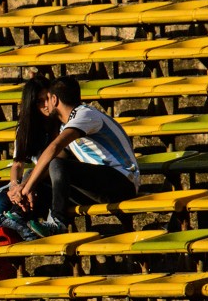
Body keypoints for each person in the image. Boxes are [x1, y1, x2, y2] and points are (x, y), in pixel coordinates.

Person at [8, 75, 139, 235]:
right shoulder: (68, 125)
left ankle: (58, 222)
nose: (45, 105)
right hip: (98, 186)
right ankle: (17, 219)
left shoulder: (85, 114)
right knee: (35, 174)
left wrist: (27, 187)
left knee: (54, 164)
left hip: (122, 182)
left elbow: (55, 149)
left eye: (47, 99)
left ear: (54, 99)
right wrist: (24, 186)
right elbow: (53, 162)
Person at [0, 75, 57, 220]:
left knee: (26, 188)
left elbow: (53, 164)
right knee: (1, 196)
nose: (46, 105)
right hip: (33, 181)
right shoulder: (26, 128)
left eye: (47, 99)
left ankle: (4, 231)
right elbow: (18, 164)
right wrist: (14, 185)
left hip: (52, 181)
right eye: (39, 101)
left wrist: (24, 185)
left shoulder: (62, 124)